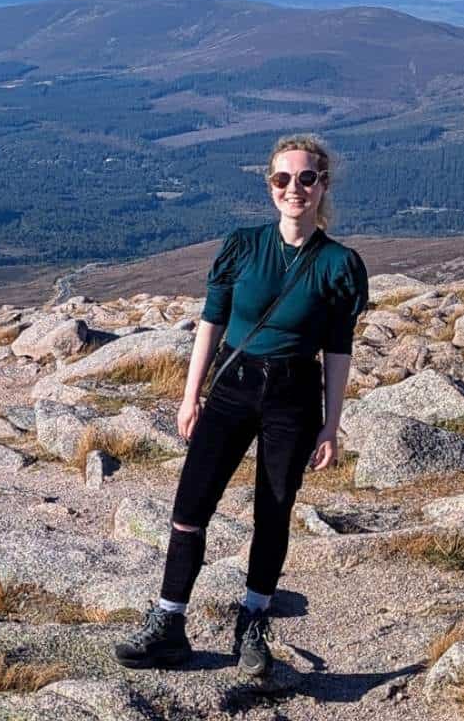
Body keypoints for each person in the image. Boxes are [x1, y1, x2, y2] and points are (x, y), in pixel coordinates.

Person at [112, 133, 369, 676]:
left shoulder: (340, 265)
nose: (294, 188)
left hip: (294, 395)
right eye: (283, 179)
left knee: (272, 513)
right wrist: (191, 396)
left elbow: (338, 350)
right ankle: (168, 623)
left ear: (323, 186)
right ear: (269, 186)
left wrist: (331, 425)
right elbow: (212, 322)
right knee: (189, 509)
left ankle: (252, 626)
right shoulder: (242, 246)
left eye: (306, 178)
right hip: (232, 387)